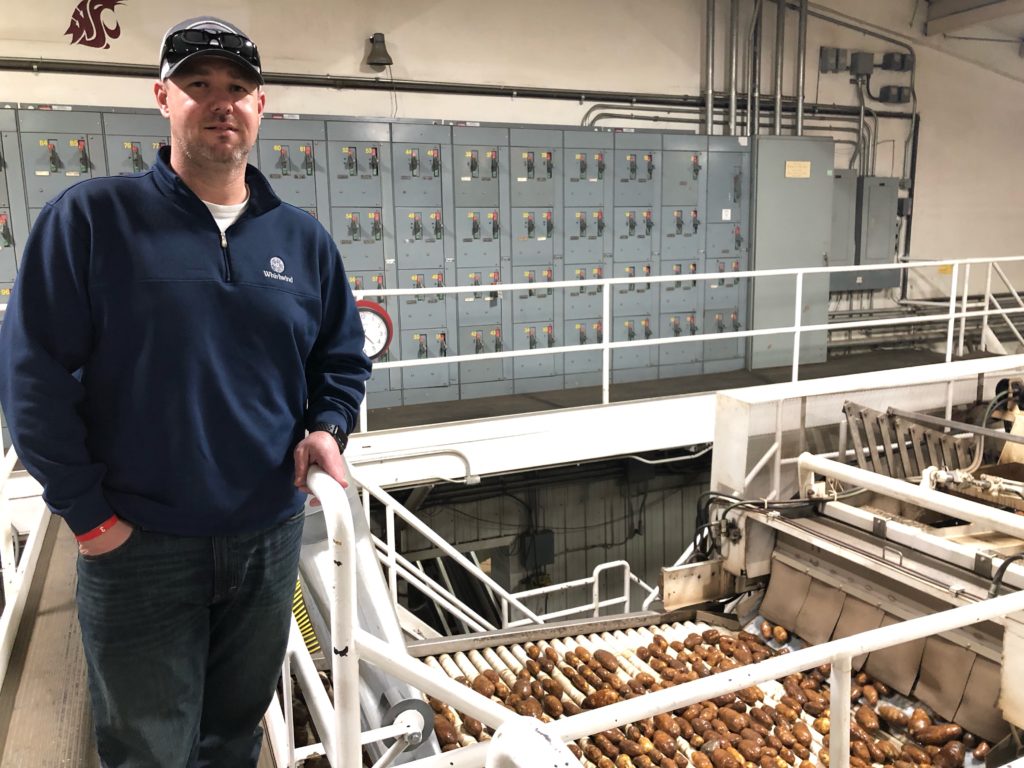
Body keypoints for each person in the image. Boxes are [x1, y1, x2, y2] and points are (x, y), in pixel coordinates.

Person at [0, 15, 371, 766]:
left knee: (230, 737)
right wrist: (88, 515)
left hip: (266, 539)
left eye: (238, 88)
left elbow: (340, 354)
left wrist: (327, 426)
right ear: (162, 97)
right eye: (198, 85)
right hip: (139, 545)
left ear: (261, 108)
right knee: (146, 748)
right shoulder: (92, 219)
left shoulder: (302, 240)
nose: (220, 102)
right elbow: (31, 373)